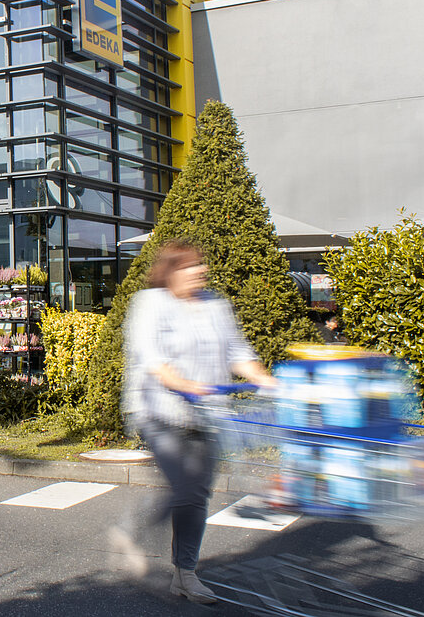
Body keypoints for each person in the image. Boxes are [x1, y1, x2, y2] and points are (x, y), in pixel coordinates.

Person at [123, 239, 276, 604]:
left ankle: (184, 575)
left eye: (201, 265)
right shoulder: (150, 305)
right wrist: (187, 386)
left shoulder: (215, 306)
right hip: (158, 411)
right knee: (185, 487)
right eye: (191, 266)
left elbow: (238, 353)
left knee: (197, 496)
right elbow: (151, 358)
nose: (200, 271)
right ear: (172, 271)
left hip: (206, 415)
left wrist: (264, 379)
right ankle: (134, 530)